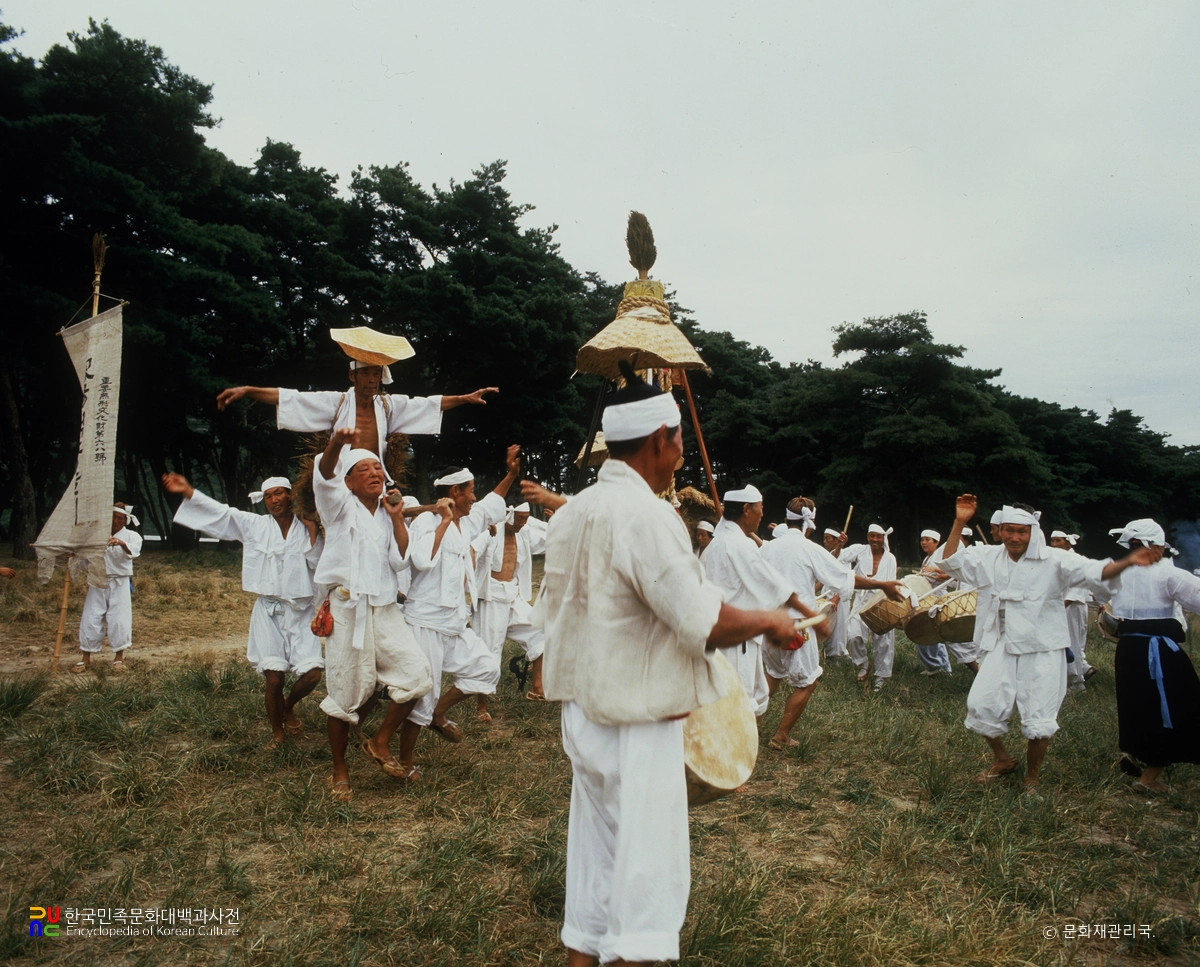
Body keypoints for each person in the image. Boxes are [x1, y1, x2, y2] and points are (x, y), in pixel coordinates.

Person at [534, 360, 797, 967]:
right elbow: (702, 620)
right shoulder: (648, 515)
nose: (681, 451)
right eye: (678, 439)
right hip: (637, 721)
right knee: (646, 887)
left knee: (597, 865)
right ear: (660, 439)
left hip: (584, 714)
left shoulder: (573, 512)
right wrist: (770, 620)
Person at [938, 497, 1158, 792]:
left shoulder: (1054, 559)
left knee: (1039, 716)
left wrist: (1128, 561)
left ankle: (1031, 780)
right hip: (1001, 643)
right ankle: (1003, 759)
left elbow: (1094, 572)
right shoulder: (987, 556)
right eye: (1009, 530)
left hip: (1043, 647)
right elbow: (950, 561)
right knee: (980, 704)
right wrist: (959, 522)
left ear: (1032, 532)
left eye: (1022, 531)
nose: (1015, 537)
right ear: (1000, 530)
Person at [313, 430, 434, 798]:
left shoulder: (386, 512)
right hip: (348, 610)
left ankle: (380, 742)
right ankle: (339, 770)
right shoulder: (337, 506)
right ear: (348, 482)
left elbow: (400, 560)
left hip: (384, 609)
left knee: (417, 675)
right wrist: (337, 443)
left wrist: (397, 518)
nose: (374, 473)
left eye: (378, 468)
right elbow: (324, 475)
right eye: (363, 469)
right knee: (344, 694)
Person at [165, 472, 324, 748]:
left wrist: (312, 531)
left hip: (301, 610)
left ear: (291, 495)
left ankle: (288, 706)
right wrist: (189, 491)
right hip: (268, 609)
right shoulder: (255, 525)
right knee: (274, 678)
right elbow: (224, 514)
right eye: (268, 496)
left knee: (313, 674)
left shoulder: (309, 525)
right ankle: (277, 733)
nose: (274, 500)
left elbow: (320, 563)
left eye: (279, 493)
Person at [215, 329, 498, 476]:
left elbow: (427, 404)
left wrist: (464, 398)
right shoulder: (336, 403)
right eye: (366, 374)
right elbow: (291, 397)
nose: (372, 380)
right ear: (353, 375)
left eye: (376, 374)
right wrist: (249, 390)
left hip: (376, 475)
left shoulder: (387, 406)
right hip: (341, 476)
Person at [393, 447, 520, 768]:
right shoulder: (426, 520)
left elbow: (492, 502)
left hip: (454, 621)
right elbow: (421, 560)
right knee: (422, 695)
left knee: (486, 669)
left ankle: (438, 713)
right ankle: (405, 761)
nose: (474, 497)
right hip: (425, 622)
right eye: (470, 490)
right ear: (454, 493)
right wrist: (444, 520)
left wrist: (511, 474)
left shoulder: (469, 519)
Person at [701, 485, 825, 724]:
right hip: (736, 640)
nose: (762, 513)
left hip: (724, 635)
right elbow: (773, 585)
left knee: (747, 699)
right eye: (760, 507)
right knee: (739, 703)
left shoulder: (718, 542)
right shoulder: (738, 544)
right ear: (747, 509)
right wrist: (810, 613)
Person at [1102, 519, 1200, 794]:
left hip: (1128, 650)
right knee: (1174, 706)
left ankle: (1136, 754)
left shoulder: (1117, 572)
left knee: (1137, 706)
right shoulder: (1168, 573)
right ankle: (1148, 779)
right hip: (1157, 651)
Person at [760, 500, 848, 749]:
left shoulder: (767, 548)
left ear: (786, 519)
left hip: (770, 623)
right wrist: (881, 584)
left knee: (772, 674)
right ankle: (781, 736)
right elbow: (843, 579)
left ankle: (747, 726)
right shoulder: (810, 548)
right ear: (810, 522)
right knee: (809, 682)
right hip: (798, 625)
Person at [470, 501, 548, 718]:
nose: (522, 523)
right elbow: (472, 549)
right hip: (491, 598)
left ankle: (537, 688)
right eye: (520, 518)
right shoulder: (491, 531)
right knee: (490, 650)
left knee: (540, 630)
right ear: (509, 514)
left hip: (512, 595)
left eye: (526, 519)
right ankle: (481, 706)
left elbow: (550, 539)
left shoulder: (524, 534)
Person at [73, 504, 142, 674]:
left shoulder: (132, 536)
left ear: (126, 520)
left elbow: (133, 552)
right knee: (91, 617)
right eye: (113, 517)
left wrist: (121, 543)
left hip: (120, 581)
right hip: (97, 580)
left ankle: (119, 657)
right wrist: (74, 556)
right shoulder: (97, 537)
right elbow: (85, 561)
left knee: (119, 619)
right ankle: (86, 657)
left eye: (120, 518)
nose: (116, 521)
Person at [842, 524, 906, 691]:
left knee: (883, 641)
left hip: (881, 601)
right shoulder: (860, 550)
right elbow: (836, 558)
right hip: (861, 601)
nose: (875, 539)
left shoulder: (890, 558)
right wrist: (839, 545)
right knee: (853, 635)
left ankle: (881, 676)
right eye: (872, 536)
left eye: (878, 536)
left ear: (883, 538)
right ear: (867, 536)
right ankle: (863, 663)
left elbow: (891, 582)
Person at [1050, 530, 1096, 689]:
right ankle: (1082, 670)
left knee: (1072, 642)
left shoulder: (1077, 560)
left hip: (1072, 606)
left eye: (1058, 541)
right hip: (1062, 605)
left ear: (1068, 542)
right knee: (1063, 641)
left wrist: (1059, 607)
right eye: (1052, 541)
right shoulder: (1057, 560)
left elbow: (1077, 589)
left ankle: (1077, 682)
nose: (1054, 544)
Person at [821, 527, 851, 660]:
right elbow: (823, 578)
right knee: (828, 623)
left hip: (840, 595)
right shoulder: (828, 555)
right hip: (827, 594)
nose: (824, 541)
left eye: (827, 538)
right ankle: (830, 653)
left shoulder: (844, 556)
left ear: (835, 540)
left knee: (839, 625)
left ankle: (838, 654)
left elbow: (846, 580)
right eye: (824, 538)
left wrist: (837, 598)